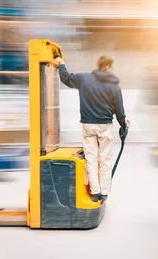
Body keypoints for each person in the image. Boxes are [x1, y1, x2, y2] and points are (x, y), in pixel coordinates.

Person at [53, 55, 129, 202]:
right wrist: (123, 124)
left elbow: (66, 78)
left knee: (91, 159)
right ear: (108, 67)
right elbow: (119, 109)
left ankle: (95, 192)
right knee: (105, 160)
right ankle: (104, 192)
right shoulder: (114, 85)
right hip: (104, 126)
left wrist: (61, 63)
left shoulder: (84, 78)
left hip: (88, 125)